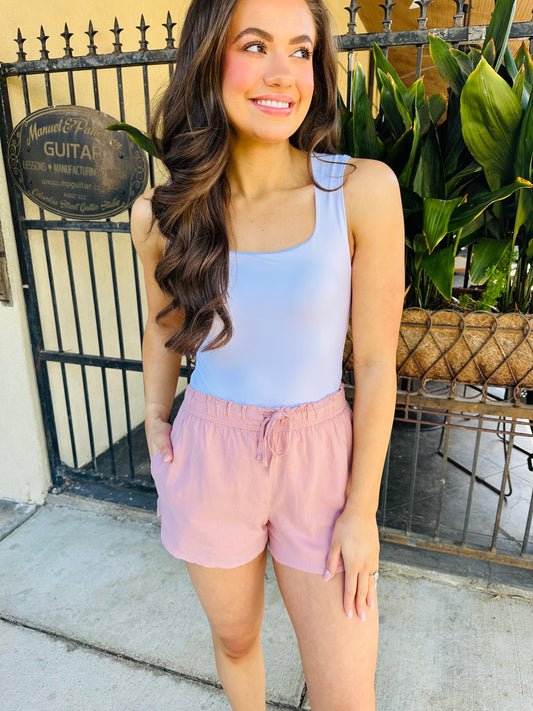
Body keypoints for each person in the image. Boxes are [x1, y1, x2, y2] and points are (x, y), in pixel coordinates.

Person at [130, 0, 404, 708]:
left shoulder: (360, 192)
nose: (283, 73)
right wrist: (157, 420)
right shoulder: (165, 212)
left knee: (347, 690)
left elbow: (377, 362)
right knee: (234, 640)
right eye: (254, 45)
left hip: (322, 462)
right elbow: (164, 324)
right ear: (209, 58)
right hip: (210, 453)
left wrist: (362, 511)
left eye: (301, 50)